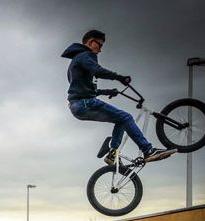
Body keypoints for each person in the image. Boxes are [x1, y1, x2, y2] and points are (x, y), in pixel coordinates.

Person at [61, 30, 176, 165]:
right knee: (126, 117)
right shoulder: (86, 55)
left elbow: (82, 89)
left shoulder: (76, 60)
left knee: (121, 120)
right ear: (90, 42)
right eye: (99, 45)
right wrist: (119, 78)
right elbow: (98, 71)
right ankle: (148, 150)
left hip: (78, 106)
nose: (100, 50)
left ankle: (112, 153)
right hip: (85, 103)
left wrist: (107, 91)